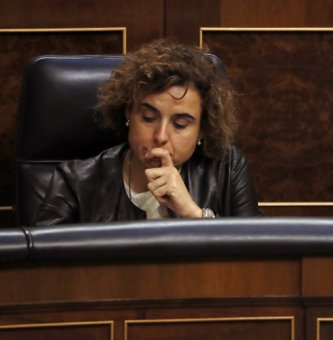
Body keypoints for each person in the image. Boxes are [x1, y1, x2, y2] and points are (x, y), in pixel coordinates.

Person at [35, 39, 261, 225]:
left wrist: (194, 214)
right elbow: (43, 269)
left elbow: (257, 259)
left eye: (180, 124)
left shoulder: (227, 168)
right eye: (148, 118)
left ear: (202, 130)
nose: (161, 136)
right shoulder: (75, 181)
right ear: (128, 113)